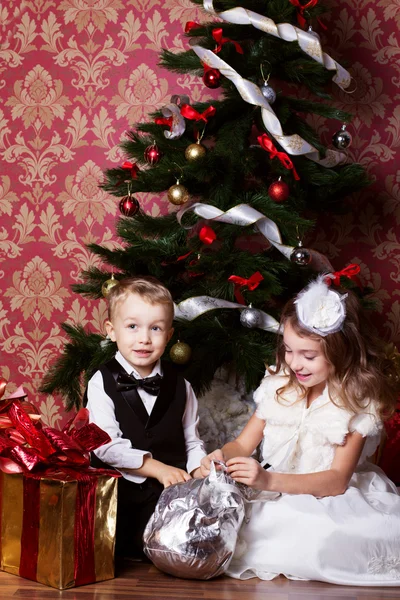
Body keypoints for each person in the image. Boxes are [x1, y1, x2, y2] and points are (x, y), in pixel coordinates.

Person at [201, 271, 400, 586]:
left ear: (341, 351)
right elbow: (242, 445)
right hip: (275, 489)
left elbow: (336, 480)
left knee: (319, 533)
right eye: (288, 350)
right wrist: (220, 455)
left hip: (326, 493)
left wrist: (267, 479)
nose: (294, 363)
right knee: (245, 526)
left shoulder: (358, 404)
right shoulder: (279, 384)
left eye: (308, 355)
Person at [86, 276, 206, 559]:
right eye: (132, 327)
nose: (144, 338)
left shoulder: (182, 386)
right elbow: (104, 444)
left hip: (167, 498)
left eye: (155, 328)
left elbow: (192, 442)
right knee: (118, 550)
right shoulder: (100, 381)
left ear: (169, 335)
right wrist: (156, 467)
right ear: (111, 330)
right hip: (116, 498)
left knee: (187, 547)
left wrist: (201, 468)